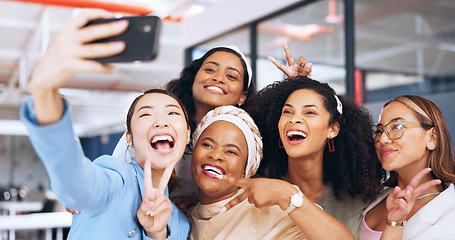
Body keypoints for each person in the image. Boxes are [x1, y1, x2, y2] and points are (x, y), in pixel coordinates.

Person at [20, 10, 190, 239]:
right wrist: (44, 92)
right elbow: (77, 185)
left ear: (187, 134)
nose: (161, 122)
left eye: (172, 113)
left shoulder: (181, 223)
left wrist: (157, 232)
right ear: (129, 137)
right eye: (146, 115)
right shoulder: (115, 179)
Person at [113, 42, 313, 201]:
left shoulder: (249, 141)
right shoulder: (158, 126)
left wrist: (300, 86)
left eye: (231, 76)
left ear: (242, 97)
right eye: (210, 70)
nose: (218, 78)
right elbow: (115, 177)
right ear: (193, 80)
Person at [221, 76, 385, 239]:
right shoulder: (255, 187)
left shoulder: (357, 198)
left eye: (310, 112)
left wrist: (287, 194)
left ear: (333, 129)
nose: (294, 119)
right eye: (287, 112)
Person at [189, 105, 306, 239]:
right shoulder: (183, 219)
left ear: (246, 169)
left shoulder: (272, 212)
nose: (216, 155)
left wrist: (287, 192)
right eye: (207, 145)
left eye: (231, 152)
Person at [359, 95, 455, 240]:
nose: (383, 139)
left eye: (397, 127)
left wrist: (395, 224)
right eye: (379, 131)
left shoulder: (450, 219)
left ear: (432, 137)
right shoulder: (371, 197)